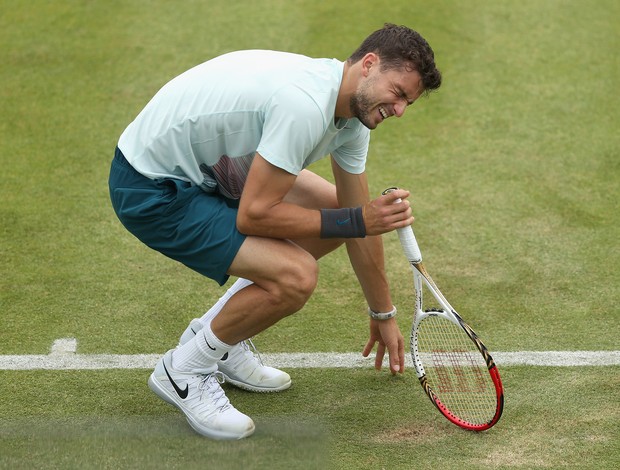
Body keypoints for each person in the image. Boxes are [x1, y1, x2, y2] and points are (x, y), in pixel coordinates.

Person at [108, 23, 441, 440]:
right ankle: (184, 370)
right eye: (398, 93)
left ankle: (218, 338)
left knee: (340, 212)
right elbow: (256, 217)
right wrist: (356, 220)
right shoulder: (304, 105)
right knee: (296, 275)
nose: (401, 110)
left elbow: (354, 215)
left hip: (216, 164)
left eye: (408, 101)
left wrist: (382, 312)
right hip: (151, 187)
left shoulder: (351, 116)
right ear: (369, 65)